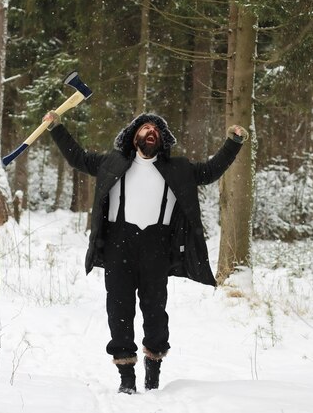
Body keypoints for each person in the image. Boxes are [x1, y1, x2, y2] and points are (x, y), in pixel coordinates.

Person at [43, 111, 248, 393]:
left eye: (157, 130)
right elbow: (77, 157)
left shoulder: (178, 168)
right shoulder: (110, 163)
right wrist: (56, 127)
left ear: (162, 141)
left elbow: (211, 171)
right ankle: (126, 378)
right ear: (133, 136)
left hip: (157, 248)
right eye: (146, 127)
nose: (151, 131)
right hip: (118, 245)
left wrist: (233, 142)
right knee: (119, 310)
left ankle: (153, 375)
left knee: (155, 312)